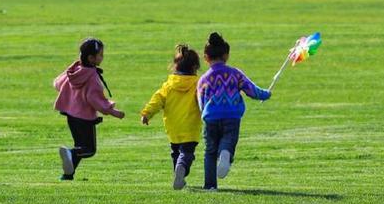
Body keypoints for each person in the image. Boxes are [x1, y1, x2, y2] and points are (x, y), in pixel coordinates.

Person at [197, 32, 271, 191]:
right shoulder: (235, 73)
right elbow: (251, 90)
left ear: (206, 57)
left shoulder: (204, 78)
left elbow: (201, 100)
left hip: (211, 117)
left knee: (209, 152)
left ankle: (210, 186)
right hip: (232, 115)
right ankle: (225, 154)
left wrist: (205, 113)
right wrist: (265, 94)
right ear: (226, 55)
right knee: (228, 140)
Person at [53, 38, 125, 181]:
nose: (102, 57)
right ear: (91, 58)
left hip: (70, 116)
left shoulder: (75, 71)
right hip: (84, 118)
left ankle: (67, 175)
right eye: (101, 55)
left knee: (80, 146)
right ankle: (70, 153)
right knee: (88, 150)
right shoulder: (91, 76)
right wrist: (113, 111)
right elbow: (94, 99)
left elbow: (57, 83)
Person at [140, 44, 202, 190]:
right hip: (191, 127)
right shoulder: (198, 84)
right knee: (187, 153)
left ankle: (178, 176)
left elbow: (157, 99)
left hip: (173, 128)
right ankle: (181, 169)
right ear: (195, 67)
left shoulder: (168, 85)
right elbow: (204, 99)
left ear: (175, 66)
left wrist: (146, 113)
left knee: (176, 152)